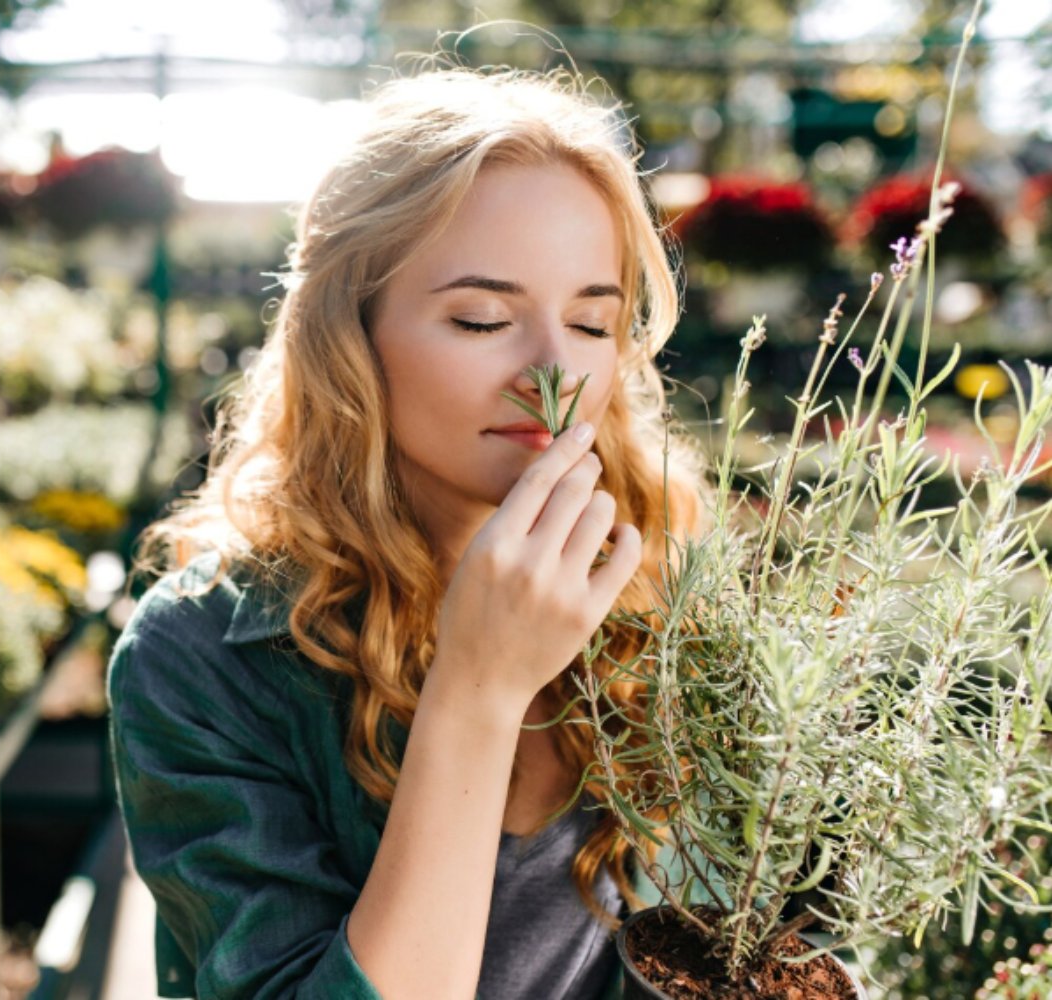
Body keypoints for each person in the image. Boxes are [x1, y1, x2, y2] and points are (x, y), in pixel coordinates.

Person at [107, 58, 710, 1000]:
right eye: (482, 320)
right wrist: (478, 691)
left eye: (594, 325)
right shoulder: (202, 654)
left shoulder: (658, 579)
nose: (552, 371)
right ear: (349, 336)